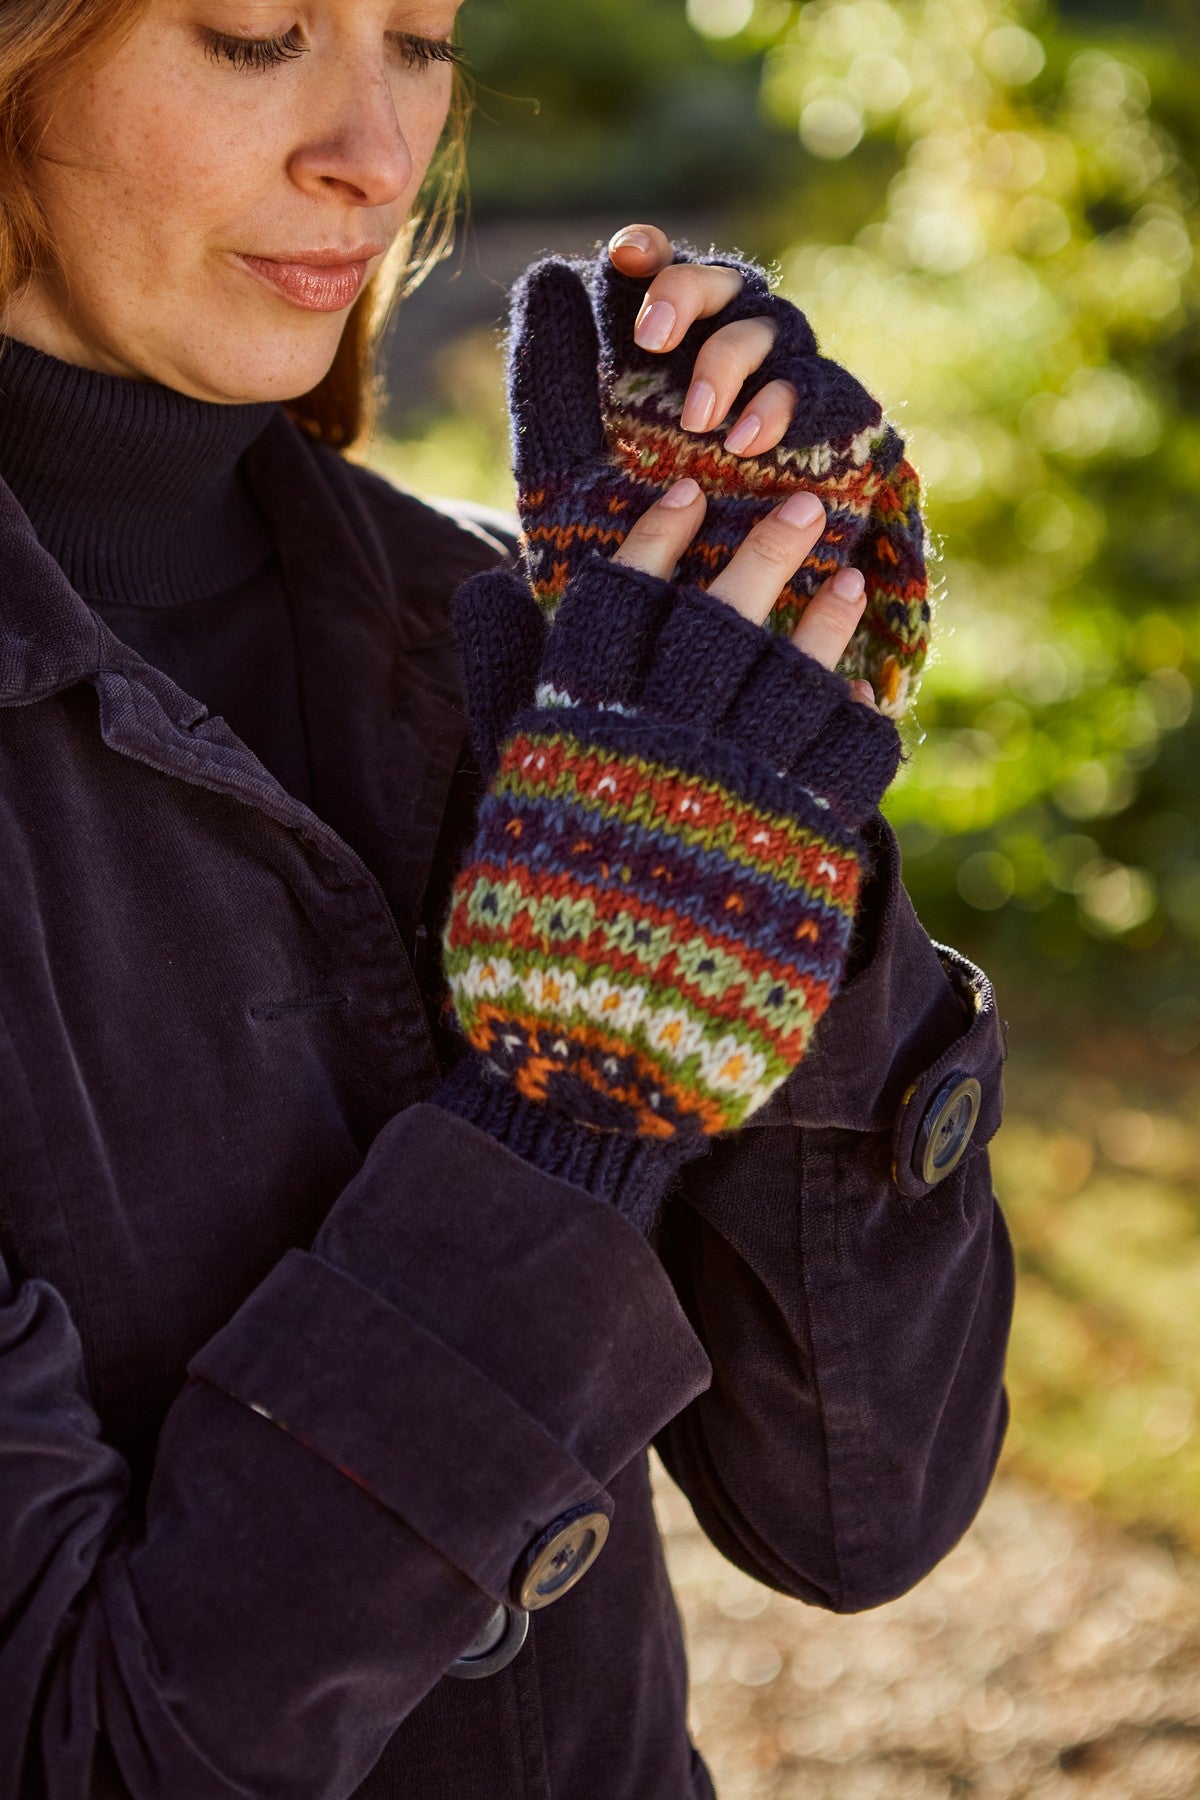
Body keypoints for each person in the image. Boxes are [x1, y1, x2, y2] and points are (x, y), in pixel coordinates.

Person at [0, 3, 1014, 1796]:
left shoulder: (485, 638)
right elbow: (88, 1749)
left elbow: (861, 1508)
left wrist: (760, 739)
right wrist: (567, 1122)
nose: (378, 159)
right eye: (252, 36)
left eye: (419, 38)